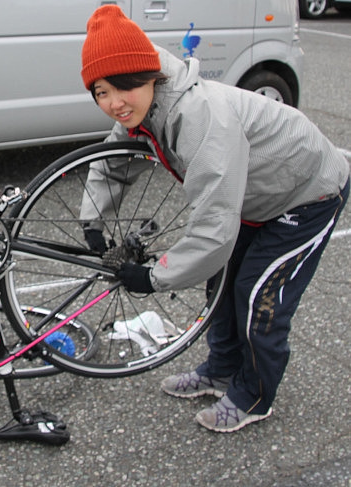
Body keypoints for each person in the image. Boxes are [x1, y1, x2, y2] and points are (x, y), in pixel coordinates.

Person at [79, 5, 349, 432]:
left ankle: (255, 395)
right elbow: (113, 166)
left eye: (121, 88)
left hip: (307, 193)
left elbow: (213, 228)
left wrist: (154, 277)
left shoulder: (201, 119)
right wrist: (92, 222)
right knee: (220, 286)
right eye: (100, 92)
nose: (113, 104)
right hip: (254, 196)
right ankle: (222, 369)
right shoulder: (144, 107)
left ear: (148, 75)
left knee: (257, 295)